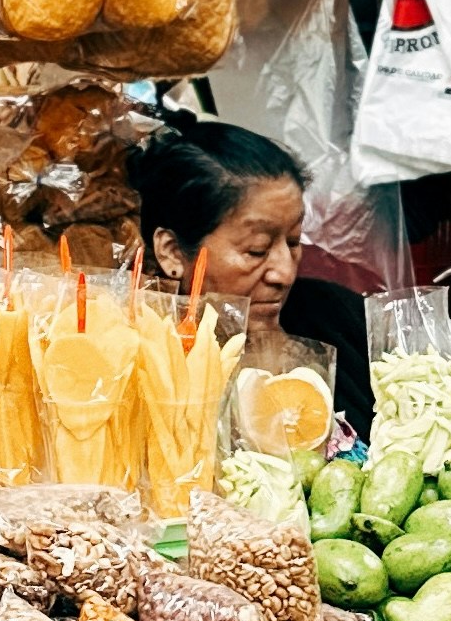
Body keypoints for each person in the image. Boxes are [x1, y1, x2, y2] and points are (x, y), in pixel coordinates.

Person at [130, 116, 373, 441]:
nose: (285, 273)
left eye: (293, 241)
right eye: (257, 250)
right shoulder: (140, 369)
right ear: (173, 252)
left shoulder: (335, 314)